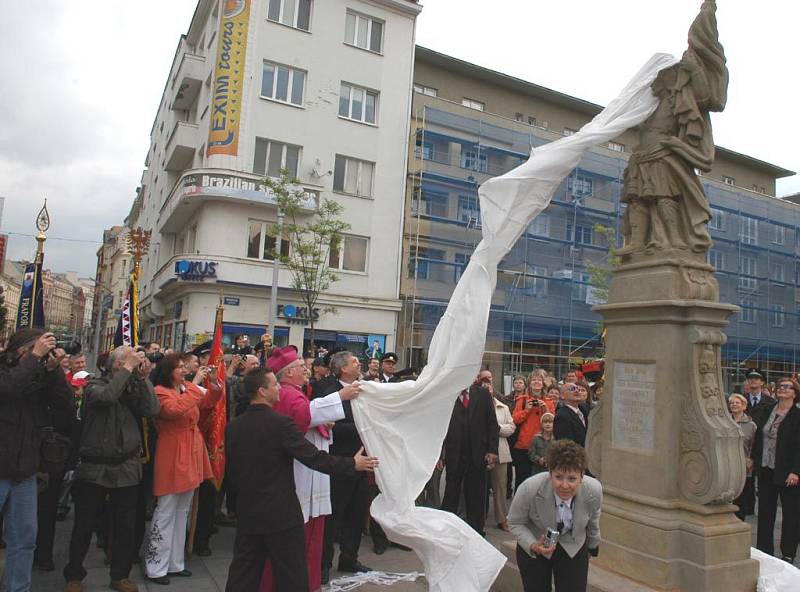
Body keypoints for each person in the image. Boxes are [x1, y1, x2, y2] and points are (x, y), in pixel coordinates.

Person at [224, 367, 378, 592]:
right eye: (274, 384)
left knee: (243, 570)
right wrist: (351, 464)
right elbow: (313, 457)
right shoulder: (280, 424)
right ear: (261, 391)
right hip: (281, 512)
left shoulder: (234, 426)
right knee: (291, 572)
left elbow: (234, 472)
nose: (279, 388)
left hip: (249, 509)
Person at [259, 346, 358, 591]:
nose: (307, 369)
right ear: (288, 372)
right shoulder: (290, 395)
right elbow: (302, 416)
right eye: (301, 366)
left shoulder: (296, 392)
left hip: (310, 474)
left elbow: (310, 415)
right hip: (300, 474)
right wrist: (339, 398)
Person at [63, 346, 160, 592]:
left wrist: (143, 378)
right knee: (84, 525)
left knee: (126, 527)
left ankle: (120, 575)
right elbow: (107, 397)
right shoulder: (95, 386)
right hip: (95, 468)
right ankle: (74, 575)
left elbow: (151, 409)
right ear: (116, 364)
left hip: (126, 467)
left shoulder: (132, 385)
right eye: (127, 361)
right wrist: (128, 369)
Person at [0, 329, 73, 592]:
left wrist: (53, 370)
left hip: (25, 471)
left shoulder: (37, 373)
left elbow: (65, 404)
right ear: (20, 350)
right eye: (35, 348)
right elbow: (7, 389)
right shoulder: (7, 368)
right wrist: (33, 359)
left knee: (24, 540)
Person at [143, 354, 223, 584]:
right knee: (167, 509)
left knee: (183, 510)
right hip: (172, 450)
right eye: (179, 368)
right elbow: (174, 411)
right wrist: (196, 384)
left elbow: (210, 402)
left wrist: (215, 382)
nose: (184, 371)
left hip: (191, 449)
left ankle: (175, 562)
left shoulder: (187, 387)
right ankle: (156, 565)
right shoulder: (160, 391)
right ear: (168, 372)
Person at [508, 440, 601, 592]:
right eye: (558, 477)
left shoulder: (594, 491)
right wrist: (532, 544)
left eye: (572, 479)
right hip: (536, 539)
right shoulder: (529, 488)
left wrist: (592, 547)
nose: (565, 485)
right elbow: (514, 522)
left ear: (582, 476)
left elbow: (593, 521)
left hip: (573, 543)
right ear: (550, 473)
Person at [321, 351, 372, 577]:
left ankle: (349, 559)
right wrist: (363, 428)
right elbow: (328, 425)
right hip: (340, 461)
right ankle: (323, 565)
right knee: (334, 516)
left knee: (357, 513)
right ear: (343, 368)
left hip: (363, 461)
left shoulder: (366, 388)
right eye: (354, 361)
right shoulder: (328, 390)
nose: (358, 363)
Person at [440, 369, 499, 535]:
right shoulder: (447, 395)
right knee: (451, 492)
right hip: (454, 453)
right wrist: (440, 454)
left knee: (476, 494)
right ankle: (446, 529)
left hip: (478, 454)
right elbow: (438, 427)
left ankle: (476, 531)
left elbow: (492, 424)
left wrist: (492, 450)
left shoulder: (482, 394)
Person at [751, 377, 800, 563]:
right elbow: (760, 439)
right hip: (766, 468)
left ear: (795, 393)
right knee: (765, 512)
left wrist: (796, 471)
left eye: (787, 387)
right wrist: (753, 460)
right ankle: (764, 550)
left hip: (788, 472)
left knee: (791, 514)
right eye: (780, 386)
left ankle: (788, 552)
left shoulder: (797, 415)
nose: (782, 389)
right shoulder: (768, 410)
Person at [512, 372, 556, 490]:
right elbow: (515, 420)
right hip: (524, 445)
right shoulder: (522, 400)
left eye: (539, 380)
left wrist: (545, 409)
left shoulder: (549, 401)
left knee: (542, 481)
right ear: (529, 384)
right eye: (534, 380)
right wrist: (527, 410)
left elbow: (553, 421)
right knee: (522, 479)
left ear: (543, 384)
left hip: (543, 445)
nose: (536, 382)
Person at [727, 394, 756, 520]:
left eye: (737, 403)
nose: (734, 405)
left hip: (743, 466)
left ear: (744, 406)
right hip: (727, 464)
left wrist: (751, 459)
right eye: (732, 403)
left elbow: (754, 445)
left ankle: (739, 522)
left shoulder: (751, 425)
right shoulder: (724, 423)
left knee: (740, 498)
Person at [491, 389, 515, 531]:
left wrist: (496, 428)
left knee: (500, 487)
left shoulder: (503, 407)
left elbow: (511, 427)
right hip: (481, 451)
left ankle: (501, 519)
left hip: (500, 451)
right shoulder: (477, 405)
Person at [554, 383, 589, 447]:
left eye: (578, 389)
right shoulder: (561, 416)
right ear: (562, 396)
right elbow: (565, 446)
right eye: (572, 389)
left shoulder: (584, 411)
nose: (577, 391)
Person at [529, 413, 555, 477]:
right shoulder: (536, 438)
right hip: (538, 470)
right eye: (545, 422)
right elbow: (531, 453)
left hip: (552, 470)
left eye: (550, 422)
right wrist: (539, 459)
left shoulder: (557, 439)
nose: (548, 424)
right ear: (541, 424)